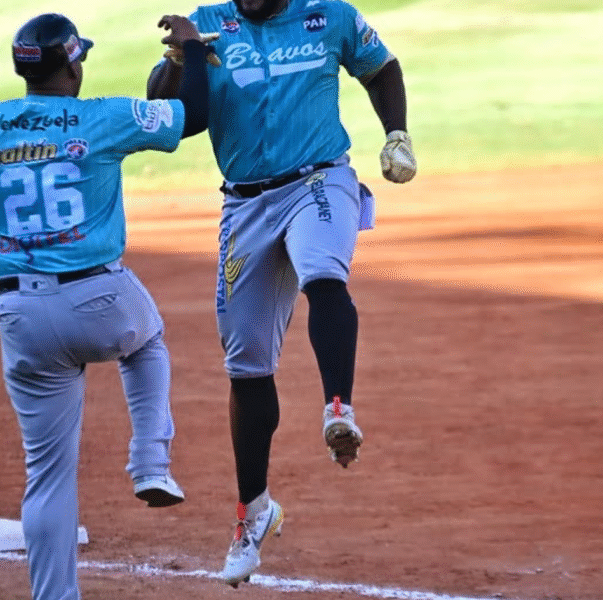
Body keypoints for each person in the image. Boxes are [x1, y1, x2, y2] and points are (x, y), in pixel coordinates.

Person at [145, 0, 416, 587]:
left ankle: (338, 408)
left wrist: (396, 132)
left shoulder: (330, 17)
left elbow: (382, 68)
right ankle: (254, 513)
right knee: (246, 366)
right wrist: (181, 56)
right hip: (245, 205)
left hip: (319, 178)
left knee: (324, 274)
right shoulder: (211, 22)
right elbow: (177, 113)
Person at [0, 12, 211, 600]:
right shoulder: (102, 118)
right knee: (147, 339)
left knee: (46, 478)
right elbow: (191, 113)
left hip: (20, 316)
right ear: (72, 63)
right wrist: (190, 52)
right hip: (99, 299)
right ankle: (148, 462)